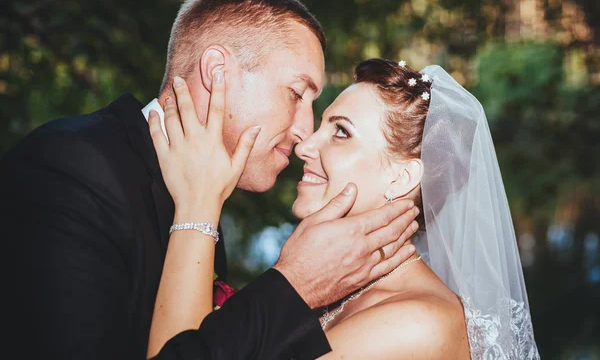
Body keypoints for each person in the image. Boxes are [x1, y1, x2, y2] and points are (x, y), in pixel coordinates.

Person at [0, 0, 419, 360]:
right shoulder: (69, 170)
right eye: (296, 93)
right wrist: (292, 285)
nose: (304, 131)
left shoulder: (202, 198)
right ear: (218, 72)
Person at [149, 59, 541, 359]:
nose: (304, 146)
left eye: (340, 132)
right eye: (323, 126)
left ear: (401, 178)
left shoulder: (417, 322)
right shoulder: (337, 286)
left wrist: (197, 207)